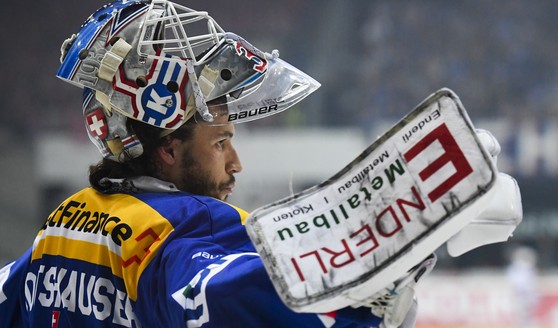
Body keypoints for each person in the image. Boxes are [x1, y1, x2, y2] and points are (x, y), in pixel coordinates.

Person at [0, 1, 434, 327]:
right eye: (221, 142)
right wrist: (364, 286)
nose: (236, 163)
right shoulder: (189, 225)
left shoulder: (64, 222)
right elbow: (220, 294)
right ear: (168, 147)